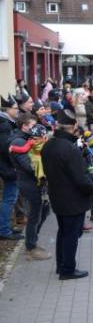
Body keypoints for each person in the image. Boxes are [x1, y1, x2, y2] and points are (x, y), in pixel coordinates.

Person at [42, 110, 93, 280]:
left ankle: (61, 265)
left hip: (57, 197)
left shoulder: (49, 145)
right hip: (72, 200)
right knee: (71, 235)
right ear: (74, 126)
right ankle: (67, 269)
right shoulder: (70, 149)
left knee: (63, 232)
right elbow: (81, 179)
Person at [9, 116, 50, 259]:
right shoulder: (18, 142)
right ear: (24, 126)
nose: (35, 128)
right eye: (33, 125)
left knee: (43, 212)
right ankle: (31, 248)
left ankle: (33, 241)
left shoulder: (29, 139)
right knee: (34, 215)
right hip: (29, 185)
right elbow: (29, 166)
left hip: (36, 184)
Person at [0, 95, 21, 240]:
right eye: (15, 108)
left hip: (6, 166)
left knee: (10, 197)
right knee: (10, 198)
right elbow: (5, 149)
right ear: (7, 110)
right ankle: (4, 230)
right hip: (7, 167)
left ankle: (6, 227)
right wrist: (15, 165)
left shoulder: (6, 124)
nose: (18, 110)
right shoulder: (4, 125)